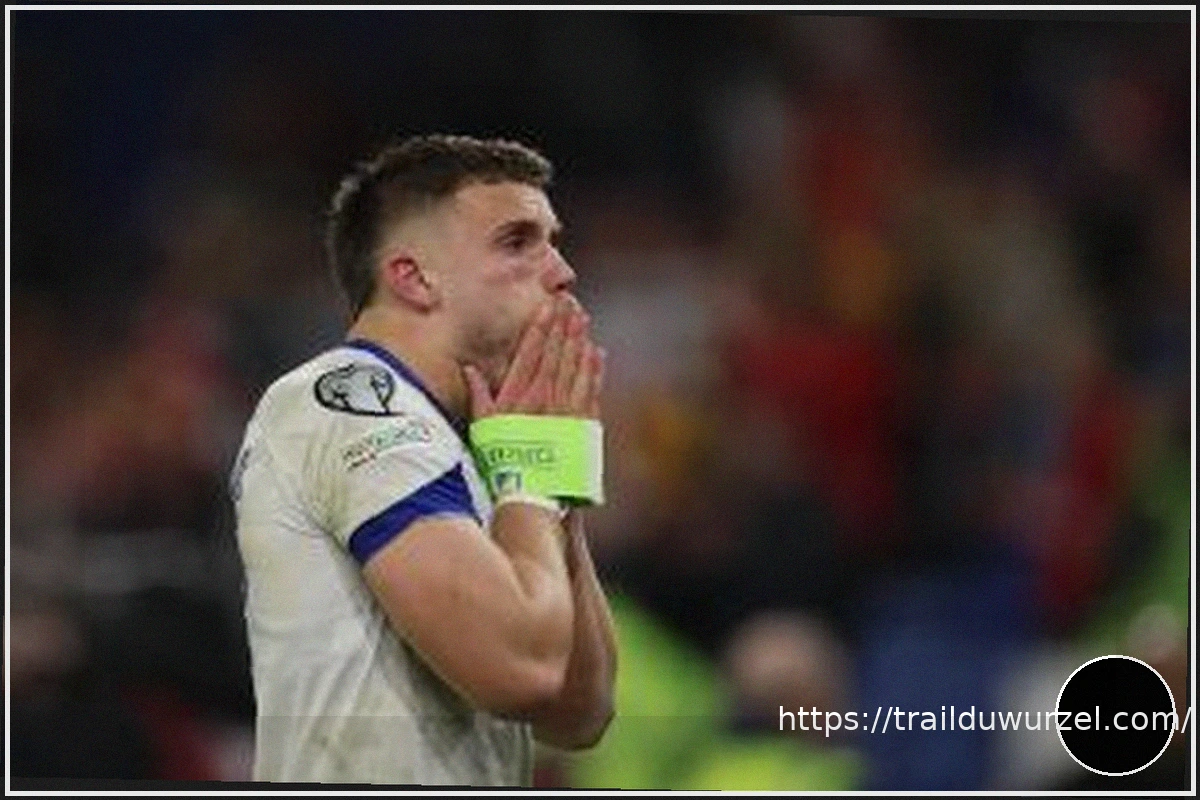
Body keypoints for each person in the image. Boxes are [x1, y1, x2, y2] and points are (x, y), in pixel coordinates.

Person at [230, 135, 617, 786]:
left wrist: (552, 483)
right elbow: (519, 672)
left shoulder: (476, 443)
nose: (562, 271)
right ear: (413, 278)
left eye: (553, 241)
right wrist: (529, 478)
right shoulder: (346, 400)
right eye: (517, 241)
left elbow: (579, 712)